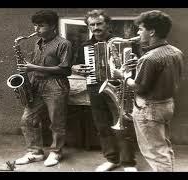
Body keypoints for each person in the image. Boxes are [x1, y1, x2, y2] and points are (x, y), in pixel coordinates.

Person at [113, 10, 184, 172]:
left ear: (151, 32)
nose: (138, 33)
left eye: (140, 29)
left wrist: (122, 75)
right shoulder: (175, 51)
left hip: (149, 109)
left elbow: (139, 87)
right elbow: (161, 75)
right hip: (167, 105)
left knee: (154, 152)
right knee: (164, 148)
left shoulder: (149, 58)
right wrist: (139, 64)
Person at [72, 9, 138, 172]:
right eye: (92, 25)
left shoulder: (122, 42)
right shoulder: (85, 46)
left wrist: (133, 63)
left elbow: (135, 66)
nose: (96, 27)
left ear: (107, 24)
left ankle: (128, 163)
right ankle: (112, 159)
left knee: (123, 126)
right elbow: (75, 66)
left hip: (119, 89)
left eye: (99, 23)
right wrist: (77, 68)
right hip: (95, 89)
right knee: (102, 126)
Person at [14, 10, 72, 167]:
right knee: (27, 119)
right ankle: (35, 152)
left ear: (53, 26)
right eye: (35, 25)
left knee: (56, 122)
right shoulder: (38, 43)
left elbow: (66, 69)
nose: (36, 29)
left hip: (56, 85)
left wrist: (33, 67)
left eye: (41, 26)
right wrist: (28, 78)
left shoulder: (63, 43)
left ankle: (56, 152)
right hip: (37, 85)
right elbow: (35, 66)